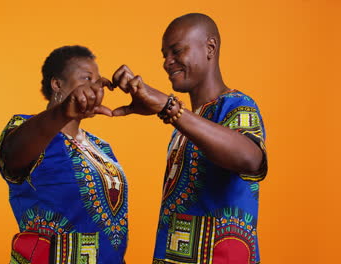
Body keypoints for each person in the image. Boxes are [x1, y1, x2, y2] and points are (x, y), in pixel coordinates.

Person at [111, 13, 267, 263]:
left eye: (176, 51)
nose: (167, 62)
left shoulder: (238, 105)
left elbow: (250, 158)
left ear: (210, 48)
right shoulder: (184, 126)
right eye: (164, 55)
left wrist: (168, 107)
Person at [0, 45, 128, 264]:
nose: (94, 88)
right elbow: (11, 156)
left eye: (97, 81)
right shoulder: (27, 131)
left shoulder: (101, 147)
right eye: (86, 78)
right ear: (57, 84)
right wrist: (63, 112)